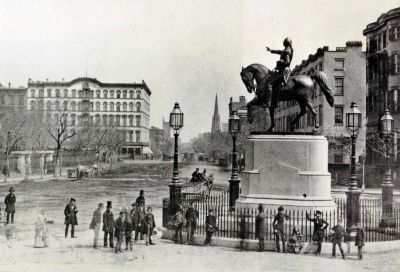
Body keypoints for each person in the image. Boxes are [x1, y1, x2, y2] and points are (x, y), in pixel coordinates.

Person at [265, 37, 294, 108]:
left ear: (286, 43)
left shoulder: (287, 51)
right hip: (281, 69)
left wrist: (281, 61)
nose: (283, 42)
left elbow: (287, 62)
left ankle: (271, 103)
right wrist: (271, 50)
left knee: (271, 84)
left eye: (284, 41)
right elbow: (279, 51)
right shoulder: (286, 50)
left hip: (284, 70)